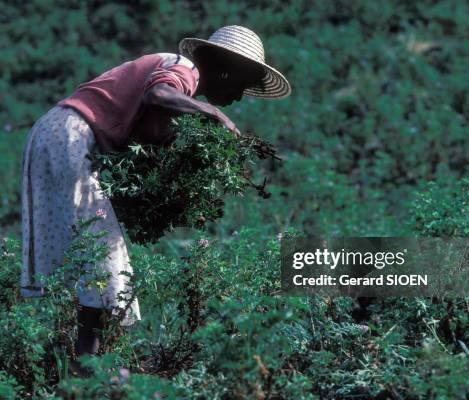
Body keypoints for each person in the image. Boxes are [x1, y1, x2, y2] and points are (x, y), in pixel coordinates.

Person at [19, 25, 291, 365]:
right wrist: (214, 113)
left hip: (57, 136)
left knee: (91, 256)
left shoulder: (182, 96)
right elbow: (158, 94)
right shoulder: (182, 68)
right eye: (240, 85)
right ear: (225, 70)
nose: (238, 97)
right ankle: (86, 368)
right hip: (68, 136)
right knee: (104, 257)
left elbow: (144, 139)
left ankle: (80, 363)